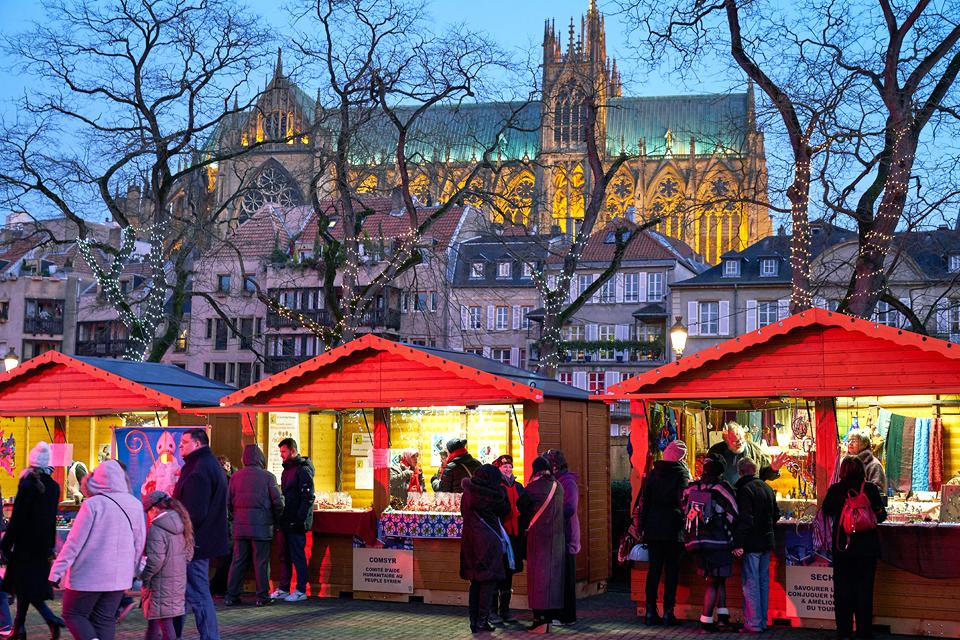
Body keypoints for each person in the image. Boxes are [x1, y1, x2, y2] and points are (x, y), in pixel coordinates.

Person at [50, 459, 146, 640]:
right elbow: (139, 542)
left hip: (89, 575)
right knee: (104, 619)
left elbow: (74, 543)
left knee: (73, 614)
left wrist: (56, 572)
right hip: (120, 576)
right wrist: (133, 570)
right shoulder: (135, 504)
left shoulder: (93, 504)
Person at [1, 442, 65, 640]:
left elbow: (18, 518)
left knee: (24, 586)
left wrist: (6, 544)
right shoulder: (53, 487)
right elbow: (51, 520)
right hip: (41, 547)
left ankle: (49, 618)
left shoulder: (27, 484)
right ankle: (18, 629)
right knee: (26, 587)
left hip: (24, 546)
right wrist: (50, 546)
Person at [823, 456, 887, 640]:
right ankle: (864, 632)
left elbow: (827, 510)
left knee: (843, 592)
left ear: (842, 471)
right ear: (862, 470)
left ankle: (844, 632)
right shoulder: (870, 489)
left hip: (843, 548)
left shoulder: (836, 489)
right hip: (867, 549)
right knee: (864, 591)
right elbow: (881, 517)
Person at [172, 428, 228, 640]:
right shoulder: (207, 465)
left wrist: (180, 531)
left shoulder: (199, 469)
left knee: (197, 593)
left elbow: (194, 512)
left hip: (194, 543)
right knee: (186, 593)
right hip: (200, 541)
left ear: (197, 444)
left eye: (184, 442)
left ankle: (209, 636)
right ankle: (173, 634)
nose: (179, 447)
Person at [682, 454, 739, 633]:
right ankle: (706, 622)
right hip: (719, 542)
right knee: (714, 582)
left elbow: (684, 509)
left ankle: (723, 618)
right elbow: (735, 512)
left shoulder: (691, 488)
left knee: (716, 580)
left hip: (697, 543)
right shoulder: (722, 488)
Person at [225, 445, 283, 607]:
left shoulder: (235, 477)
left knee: (238, 561)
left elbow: (228, 502)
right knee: (261, 562)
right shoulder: (268, 477)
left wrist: (235, 518)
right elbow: (278, 502)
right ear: (261, 458)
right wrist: (276, 520)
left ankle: (231, 595)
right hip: (262, 527)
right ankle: (262, 596)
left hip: (240, 527)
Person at [640, 439, 690, 626]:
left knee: (653, 570)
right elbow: (683, 499)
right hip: (673, 527)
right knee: (672, 571)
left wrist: (644, 526)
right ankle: (669, 612)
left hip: (653, 526)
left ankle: (650, 611)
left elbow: (646, 500)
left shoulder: (654, 472)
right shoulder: (681, 473)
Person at [459, 464, 510, 633]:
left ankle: (474, 621)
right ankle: (482, 620)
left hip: (470, 541)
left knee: (475, 582)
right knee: (488, 582)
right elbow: (506, 510)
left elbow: (463, 513)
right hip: (488, 542)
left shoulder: (467, 494)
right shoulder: (494, 497)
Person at [733, 457, 781, 633]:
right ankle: (762, 621)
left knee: (750, 583)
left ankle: (753, 623)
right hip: (767, 541)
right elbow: (776, 515)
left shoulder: (743, 490)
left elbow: (745, 519)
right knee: (762, 582)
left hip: (752, 543)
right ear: (755, 470)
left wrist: (738, 542)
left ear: (740, 472)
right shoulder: (767, 488)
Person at [518, 456, 565, 633]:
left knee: (538, 578)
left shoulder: (533, 488)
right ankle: (549, 620)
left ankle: (540, 620)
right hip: (557, 539)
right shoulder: (558, 486)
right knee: (553, 580)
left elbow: (521, 506)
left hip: (539, 539)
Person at [140, 492, 194, 640]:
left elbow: (156, 561)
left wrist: (144, 576)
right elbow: (189, 553)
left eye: (147, 511)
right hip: (177, 581)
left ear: (154, 508)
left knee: (165, 622)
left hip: (160, 582)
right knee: (158, 620)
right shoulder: (182, 521)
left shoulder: (157, 527)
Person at [271, 438, 314, 603]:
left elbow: (308, 496)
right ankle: (283, 588)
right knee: (284, 556)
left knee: (297, 556)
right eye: (281, 452)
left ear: (293, 451)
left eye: (284, 451)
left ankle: (301, 589)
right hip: (286, 519)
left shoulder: (302, 470)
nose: (281, 455)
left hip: (295, 521)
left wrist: (299, 518)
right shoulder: (287, 470)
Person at [540, 449, 579, 626]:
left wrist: (550, 515)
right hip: (556, 535)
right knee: (557, 577)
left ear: (554, 466)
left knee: (565, 578)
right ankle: (558, 614)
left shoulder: (567, 482)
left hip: (566, 535)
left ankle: (566, 616)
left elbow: (570, 508)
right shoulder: (557, 481)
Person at [490, 454, 524, 626]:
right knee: (497, 572)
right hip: (499, 536)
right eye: (504, 467)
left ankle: (505, 610)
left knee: (509, 574)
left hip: (515, 537)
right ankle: (492, 612)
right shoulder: (496, 487)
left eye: (510, 467)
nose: (508, 469)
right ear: (498, 469)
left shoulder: (518, 486)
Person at [707, 422, 788, 486]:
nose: (740, 442)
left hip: (749, 497)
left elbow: (767, 475)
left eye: (741, 438)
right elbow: (708, 475)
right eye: (735, 441)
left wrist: (774, 469)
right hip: (723, 498)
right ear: (726, 441)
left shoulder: (756, 451)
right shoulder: (716, 451)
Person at [209, 457, 234, 598]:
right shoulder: (230, 479)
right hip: (226, 522)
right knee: (226, 557)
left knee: (224, 558)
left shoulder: (219, 480)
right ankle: (218, 587)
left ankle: (217, 587)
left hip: (223, 522)